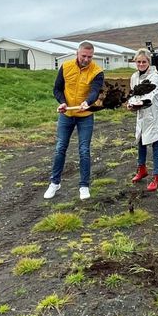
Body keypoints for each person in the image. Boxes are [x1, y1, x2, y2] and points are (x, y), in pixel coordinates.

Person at [44, 42, 104, 200]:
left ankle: (84, 186)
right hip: (67, 114)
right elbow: (57, 89)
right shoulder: (66, 66)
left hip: (85, 116)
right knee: (60, 148)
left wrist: (88, 102)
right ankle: (54, 183)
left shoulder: (97, 71)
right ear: (77, 53)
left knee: (84, 150)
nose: (86, 59)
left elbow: (95, 91)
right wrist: (62, 102)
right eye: (83, 56)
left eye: (89, 57)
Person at [127, 48, 158, 191]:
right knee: (141, 140)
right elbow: (133, 93)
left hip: (155, 113)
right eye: (138, 61)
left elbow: (151, 91)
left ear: (148, 62)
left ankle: (156, 177)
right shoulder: (134, 77)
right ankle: (142, 169)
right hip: (142, 113)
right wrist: (131, 103)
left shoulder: (154, 75)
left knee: (156, 143)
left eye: (144, 61)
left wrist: (141, 102)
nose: (141, 64)